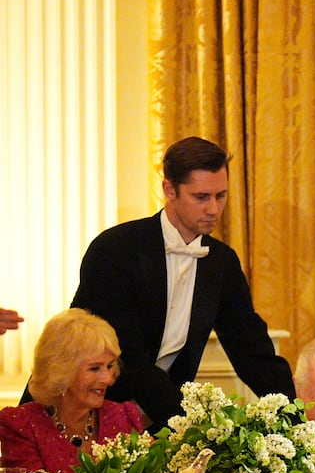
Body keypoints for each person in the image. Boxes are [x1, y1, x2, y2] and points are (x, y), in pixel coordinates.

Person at [59, 136, 294, 429]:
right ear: (169, 189)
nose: (213, 209)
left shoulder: (221, 262)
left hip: (157, 416)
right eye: (201, 197)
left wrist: (296, 418)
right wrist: (188, 424)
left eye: (220, 196)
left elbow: (251, 349)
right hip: (78, 411)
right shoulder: (115, 251)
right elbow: (127, 358)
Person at [0, 308, 142, 473]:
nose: (108, 379)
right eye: (94, 368)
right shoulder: (22, 424)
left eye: (110, 366)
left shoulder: (124, 417)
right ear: (62, 372)